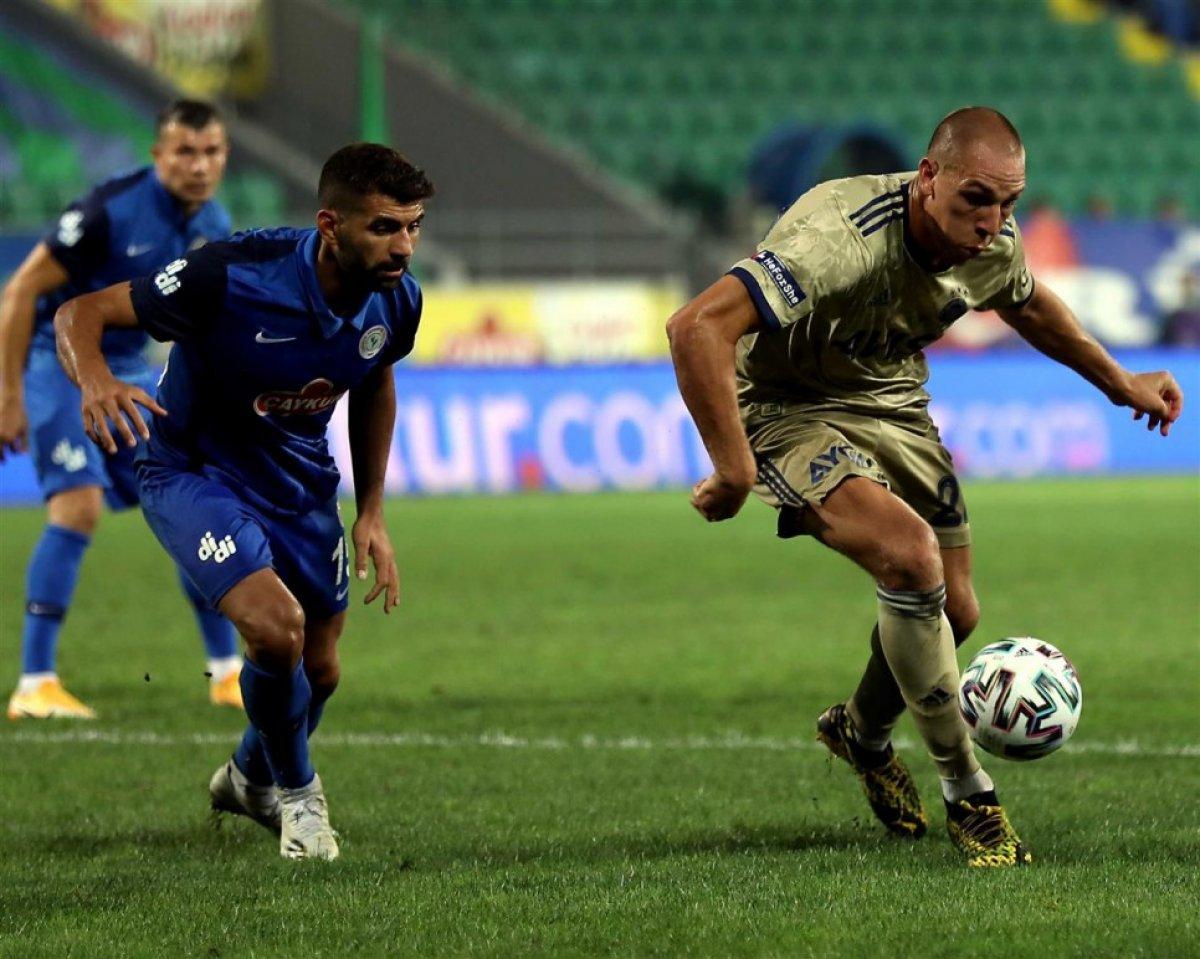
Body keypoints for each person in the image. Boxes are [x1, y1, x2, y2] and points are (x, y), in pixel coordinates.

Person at [666, 106, 1183, 868]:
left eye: (1010, 203)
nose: (994, 222)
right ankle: (968, 792)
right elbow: (695, 327)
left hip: (894, 404)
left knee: (959, 608)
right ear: (928, 177)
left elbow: (1028, 301)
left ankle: (861, 734)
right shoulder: (837, 236)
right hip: (787, 406)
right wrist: (735, 467)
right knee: (909, 557)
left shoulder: (990, 240)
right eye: (977, 198)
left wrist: (1120, 383)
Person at [54, 142, 434, 861]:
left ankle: (248, 776)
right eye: (385, 226)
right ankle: (300, 799)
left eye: (413, 225)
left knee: (320, 668)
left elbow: (375, 377)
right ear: (330, 224)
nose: (404, 245)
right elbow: (81, 312)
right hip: (192, 470)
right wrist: (96, 381)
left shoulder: (399, 300)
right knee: (275, 628)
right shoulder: (228, 274)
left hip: (297, 476)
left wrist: (373, 509)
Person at [0, 99, 240, 719]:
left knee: (190, 500)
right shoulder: (108, 213)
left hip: (131, 369)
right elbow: (22, 289)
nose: (198, 165)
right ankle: (35, 684)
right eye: (184, 151)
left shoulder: (214, 219)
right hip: (60, 363)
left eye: (211, 151)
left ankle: (227, 671)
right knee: (76, 509)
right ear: (158, 155)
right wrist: (8, 394)